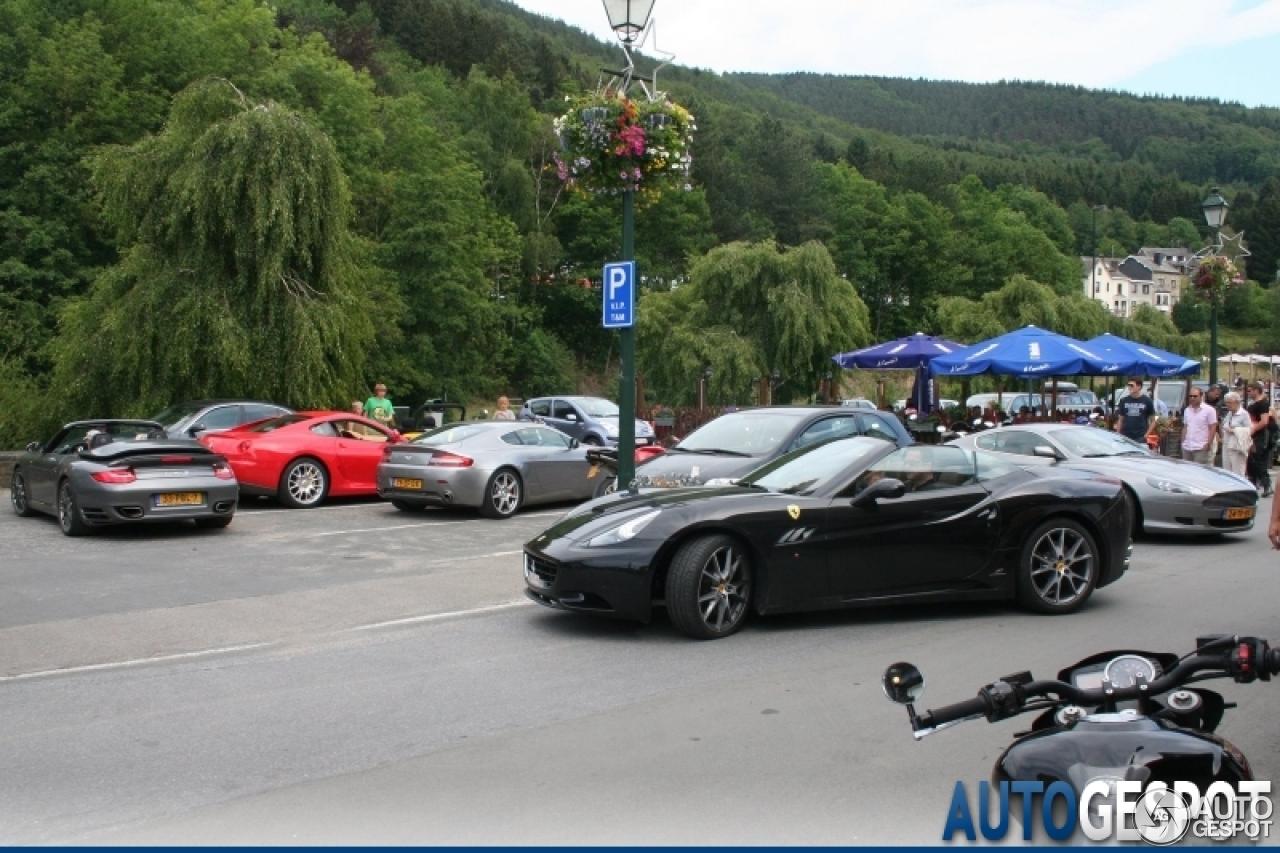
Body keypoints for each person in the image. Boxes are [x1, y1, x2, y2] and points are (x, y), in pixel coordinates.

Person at [1246, 380, 1273, 497]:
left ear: (1256, 391)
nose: (1248, 393)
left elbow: (1264, 421)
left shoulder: (1262, 404)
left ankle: (1266, 485)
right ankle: (1253, 484)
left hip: (1259, 436)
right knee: (1251, 461)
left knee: (1258, 460)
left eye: (1250, 391)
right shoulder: (1253, 404)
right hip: (1252, 435)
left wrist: (1253, 429)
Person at [1179, 387, 1217, 465]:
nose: (1192, 398)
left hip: (1201, 446)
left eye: (1195, 396)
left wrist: (1208, 443)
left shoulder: (1209, 410)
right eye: (1190, 396)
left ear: (1201, 396)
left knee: (1199, 471)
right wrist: (1183, 441)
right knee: (1187, 470)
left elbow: (1213, 427)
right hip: (1187, 446)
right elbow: (1185, 426)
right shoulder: (1187, 410)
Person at [1114, 378, 1157, 445]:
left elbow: (1153, 421)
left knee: (1139, 455)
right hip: (1125, 437)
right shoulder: (1124, 400)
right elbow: (1120, 420)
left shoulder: (1147, 401)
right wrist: (1118, 434)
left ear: (1139, 387)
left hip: (1140, 438)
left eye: (1132, 385)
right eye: (1128, 385)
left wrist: (1146, 435)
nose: (1129, 387)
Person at [1220, 391, 1252, 478]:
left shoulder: (1244, 414)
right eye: (1226, 402)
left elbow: (1249, 429)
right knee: (1227, 471)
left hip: (1237, 447)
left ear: (1237, 402)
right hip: (1227, 444)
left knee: (1238, 471)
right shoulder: (1229, 413)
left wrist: (1234, 430)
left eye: (1230, 402)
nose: (1228, 405)